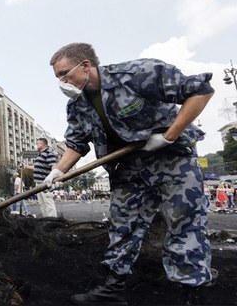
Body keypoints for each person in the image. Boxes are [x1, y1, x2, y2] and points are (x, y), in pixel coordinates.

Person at [44, 42, 214, 305]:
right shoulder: (77, 105)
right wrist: (57, 171)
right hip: (128, 168)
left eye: (64, 73)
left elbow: (201, 91)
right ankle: (113, 288)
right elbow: (77, 143)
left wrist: (169, 136)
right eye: (57, 77)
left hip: (171, 159)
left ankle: (192, 293)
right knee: (122, 225)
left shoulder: (136, 74)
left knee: (185, 223)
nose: (62, 81)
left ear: (86, 65)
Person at [32, 137, 58, 217]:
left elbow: (53, 166)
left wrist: (52, 179)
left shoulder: (48, 153)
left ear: (42, 144)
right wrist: (25, 166)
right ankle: (46, 220)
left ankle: (53, 222)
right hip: (38, 183)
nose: (36, 145)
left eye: (37, 143)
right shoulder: (40, 155)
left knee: (48, 203)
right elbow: (36, 167)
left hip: (45, 182)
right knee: (42, 203)